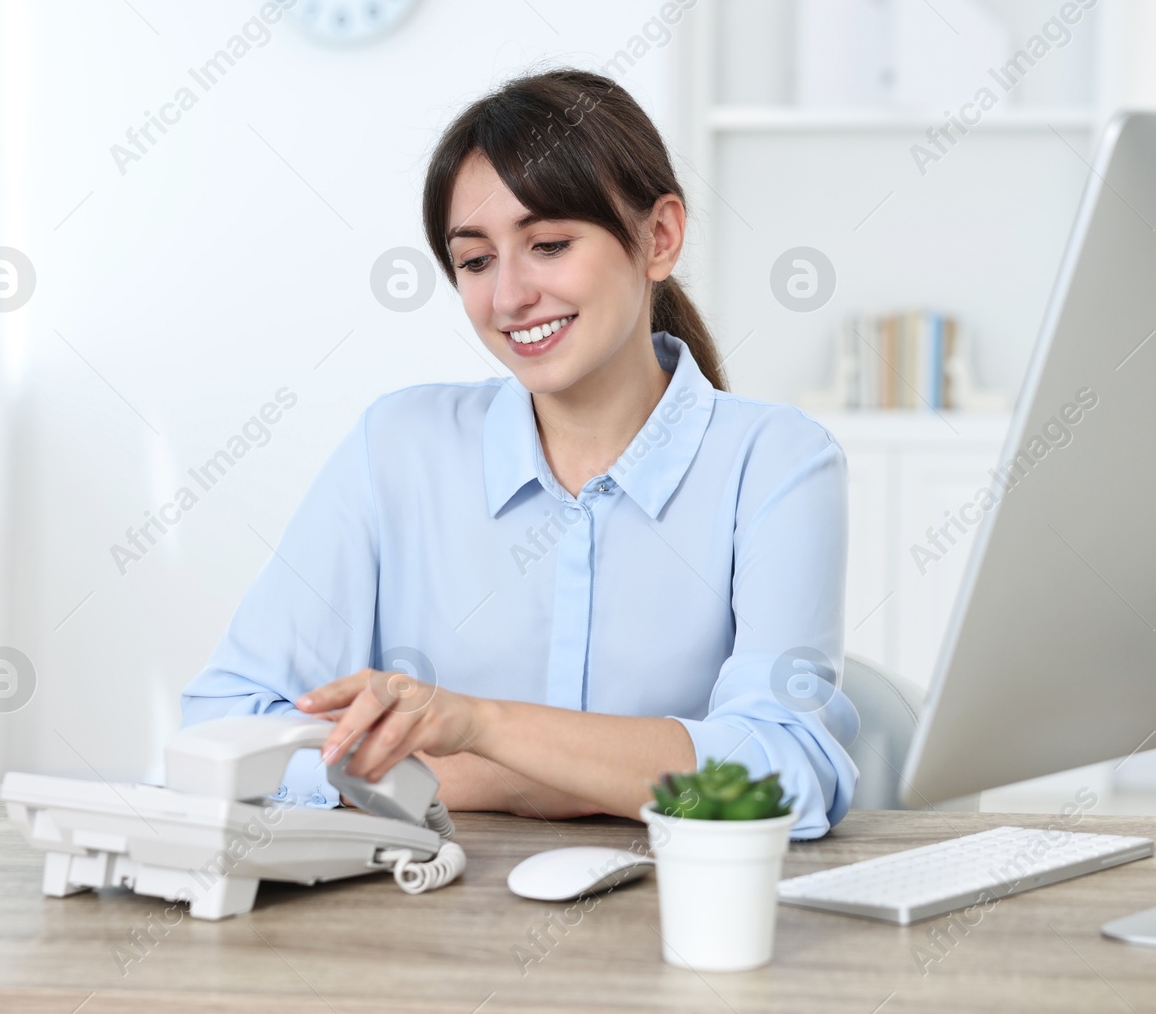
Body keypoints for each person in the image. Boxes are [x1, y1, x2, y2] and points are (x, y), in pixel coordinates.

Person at [180, 68, 858, 837]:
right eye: (475, 261)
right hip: (421, 922)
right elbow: (219, 729)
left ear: (658, 237)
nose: (508, 298)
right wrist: (526, 781)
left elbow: (785, 770)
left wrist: (482, 726)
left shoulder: (776, 462)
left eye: (548, 244)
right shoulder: (398, 447)